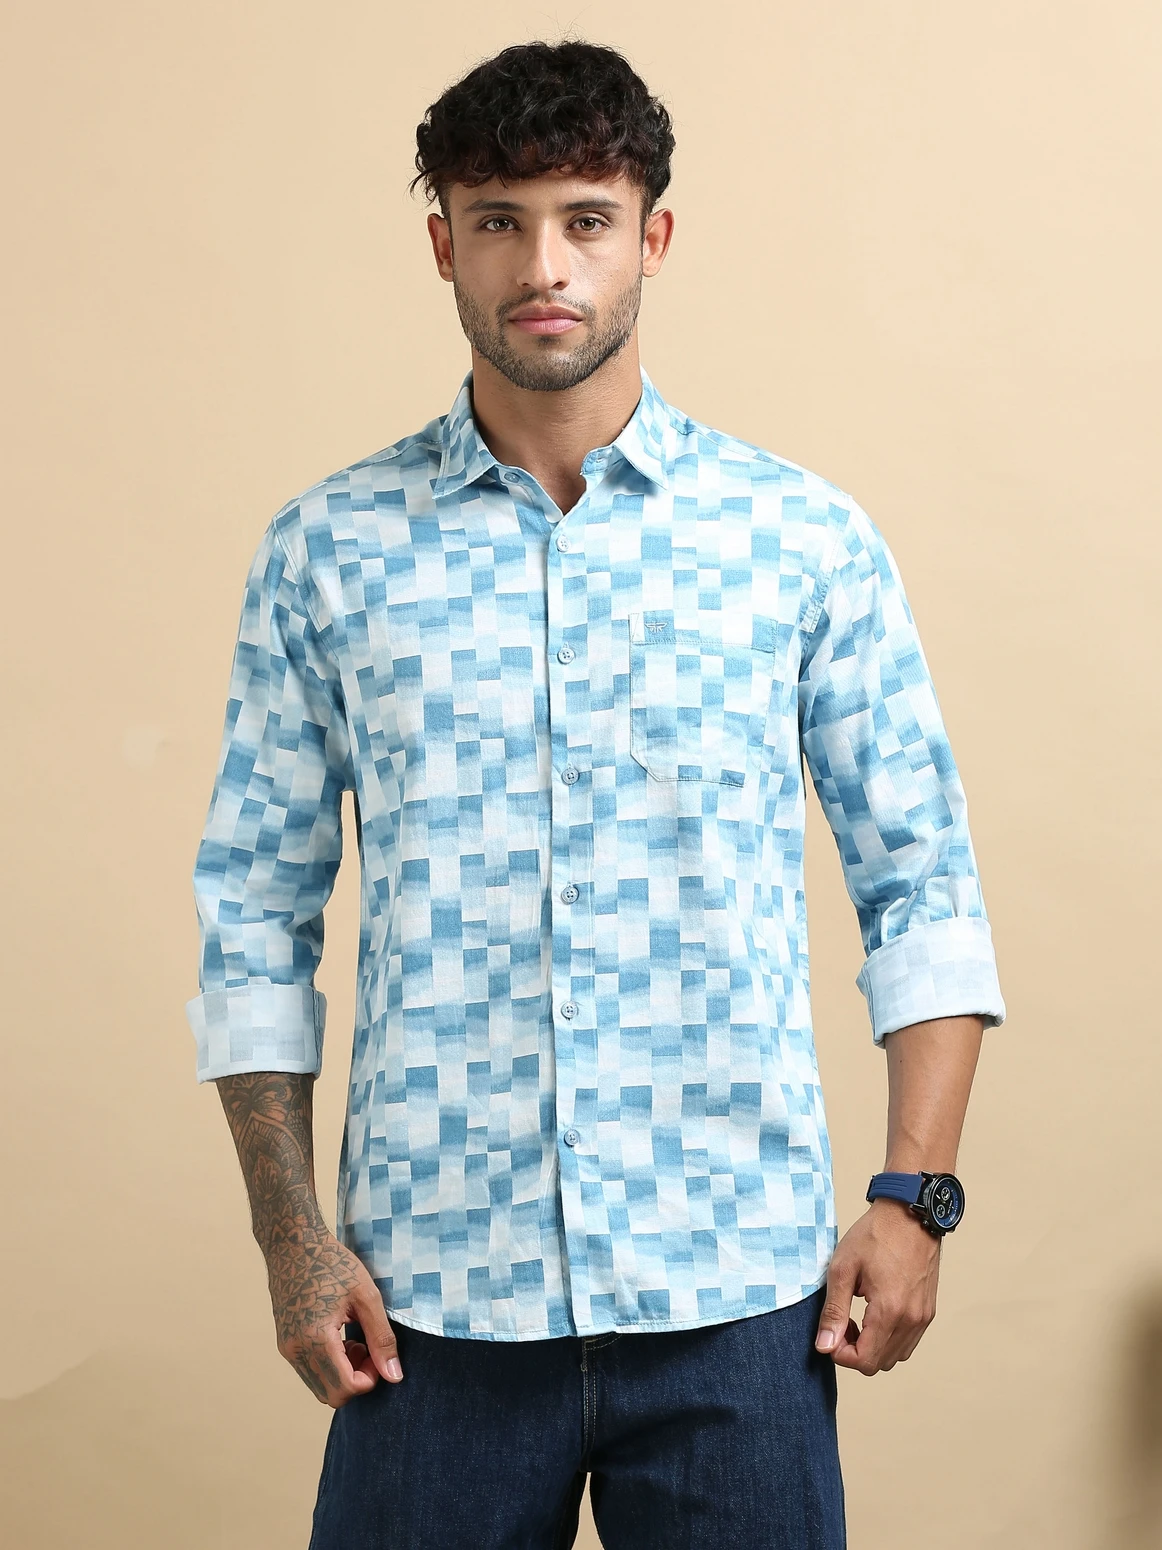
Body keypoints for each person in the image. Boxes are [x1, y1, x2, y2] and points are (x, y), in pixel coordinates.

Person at [186, 38, 1004, 1550]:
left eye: (586, 219)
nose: (543, 266)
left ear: (653, 236)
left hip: (737, 1302)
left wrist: (915, 1196)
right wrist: (290, 1239)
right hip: (427, 1306)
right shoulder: (327, 553)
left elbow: (924, 886)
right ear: (443, 243)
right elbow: (251, 916)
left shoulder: (800, 543)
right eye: (497, 221)